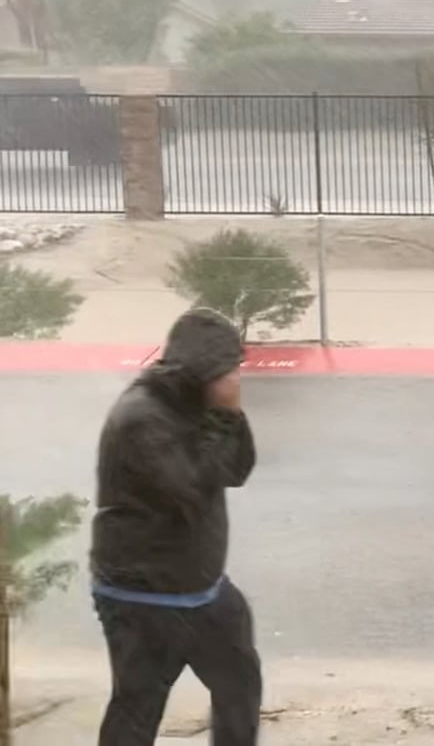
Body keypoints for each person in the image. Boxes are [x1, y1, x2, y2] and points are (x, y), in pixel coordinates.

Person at [90, 307, 261, 746]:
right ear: (200, 372)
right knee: (137, 709)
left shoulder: (197, 404)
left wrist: (230, 415)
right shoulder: (141, 418)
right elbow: (190, 491)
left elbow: (237, 470)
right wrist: (222, 416)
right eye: (228, 371)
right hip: (143, 598)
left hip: (202, 589)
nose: (236, 378)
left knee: (239, 684)